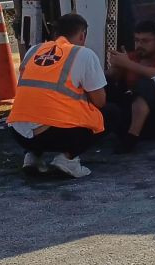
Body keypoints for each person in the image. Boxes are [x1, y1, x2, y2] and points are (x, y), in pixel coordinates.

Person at [7, 13, 107, 178]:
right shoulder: (83, 54)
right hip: (54, 136)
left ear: (55, 34)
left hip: (18, 133)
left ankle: (33, 156)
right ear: (82, 35)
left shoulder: (33, 51)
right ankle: (67, 160)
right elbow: (100, 101)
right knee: (107, 114)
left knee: (40, 111)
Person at [103, 19, 155, 153]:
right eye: (137, 40)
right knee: (102, 84)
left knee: (148, 82)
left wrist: (127, 64)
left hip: (154, 122)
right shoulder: (132, 57)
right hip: (127, 115)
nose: (140, 45)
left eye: (145, 41)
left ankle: (131, 138)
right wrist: (115, 66)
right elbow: (111, 78)